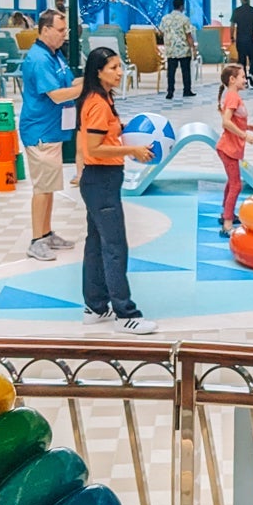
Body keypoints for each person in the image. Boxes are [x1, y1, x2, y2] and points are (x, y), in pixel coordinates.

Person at [77, 46, 158, 334]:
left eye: (120, 66)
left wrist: (127, 129)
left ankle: (95, 307)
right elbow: (94, 147)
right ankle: (125, 314)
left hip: (99, 180)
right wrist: (133, 149)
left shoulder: (102, 97)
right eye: (113, 67)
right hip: (101, 181)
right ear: (98, 71)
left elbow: (103, 134)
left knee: (97, 244)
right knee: (114, 247)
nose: (120, 72)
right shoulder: (98, 103)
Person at [21, 10, 84, 261]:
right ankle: (36, 240)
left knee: (49, 187)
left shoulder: (55, 56)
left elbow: (69, 84)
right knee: (43, 188)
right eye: (60, 30)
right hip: (40, 131)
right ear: (45, 30)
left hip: (52, 129)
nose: (64, 34)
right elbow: (57, 95)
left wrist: (92, 77)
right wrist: (87, 87)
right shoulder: (39, 59)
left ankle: (46, 233)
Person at [215, 63, 253, 237]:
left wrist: (248, 127)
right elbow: (226, 122)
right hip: (228, 148)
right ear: (232, 80)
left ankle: (227, 214)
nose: (245, 79)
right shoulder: (233, 97)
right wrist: (244, 135)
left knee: (231, 182)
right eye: (242, 76)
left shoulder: (232, 96)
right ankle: (227, 224)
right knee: (236, 184)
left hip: (230, 148)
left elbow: (235, 120)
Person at [159, 0, 197, 99]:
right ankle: (187, 90)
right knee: (186, 71)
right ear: (181, 7)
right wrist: (193, 48)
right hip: (183, 49)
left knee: (171, 72)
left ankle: (170, 92)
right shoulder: (185, 19)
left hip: (171, 50)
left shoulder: (165, 18)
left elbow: (160, 32)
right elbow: (188, 35)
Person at [231, 0, 253, 79]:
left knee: (241, 60)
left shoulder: (236, 11)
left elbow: (232, 25)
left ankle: (244, 78)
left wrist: (232, 36)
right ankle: (251, 73)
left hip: (240, 39)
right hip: (251, 38)